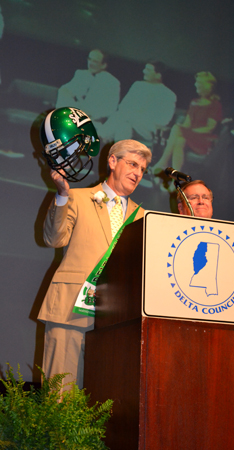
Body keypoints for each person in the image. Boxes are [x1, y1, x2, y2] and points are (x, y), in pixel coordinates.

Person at [38, 138, 152, 389]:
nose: (137, 173)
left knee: (104, 403)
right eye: (132, 164)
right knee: (60, 398)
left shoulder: (144, 217)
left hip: (117, 320)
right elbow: (53, 239)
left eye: (142, 169)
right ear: (112, 161)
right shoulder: (77, 198)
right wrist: (61, 195)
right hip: (71, 309)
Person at [151, 71, 222, 177]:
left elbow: (209, 128)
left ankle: (163, 162)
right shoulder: (194, 102)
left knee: (177, 129)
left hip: (203, 139)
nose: (195, 85)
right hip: (188, 136)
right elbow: (186, 124)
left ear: (207, 86)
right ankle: (176, 178)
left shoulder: (215, 105)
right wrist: (185, 132)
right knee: (180, 140)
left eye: (199, 83)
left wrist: (188, 132)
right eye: (196, 82)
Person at [96, 60, 177, 143]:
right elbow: (123, 107)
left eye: (148, 70)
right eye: (145, 68)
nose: (144, 71)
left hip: (148, 130)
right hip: (128, 121)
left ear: (158, 75)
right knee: (124, 127)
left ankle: (98, 138)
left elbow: (164, 120)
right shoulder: (138, 86)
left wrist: (139, 116)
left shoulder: (168, 95)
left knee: (126, 116)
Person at [56, 49, 120, 123]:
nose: (90, 63)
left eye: (95, 61)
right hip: (74, 113)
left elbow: (110, 109)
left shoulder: (112, 82)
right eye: (89, 59)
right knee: (62, 92)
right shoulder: (80, 74)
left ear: (103, 65)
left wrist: (90, 114)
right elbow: (66, 90)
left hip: (93, 119)